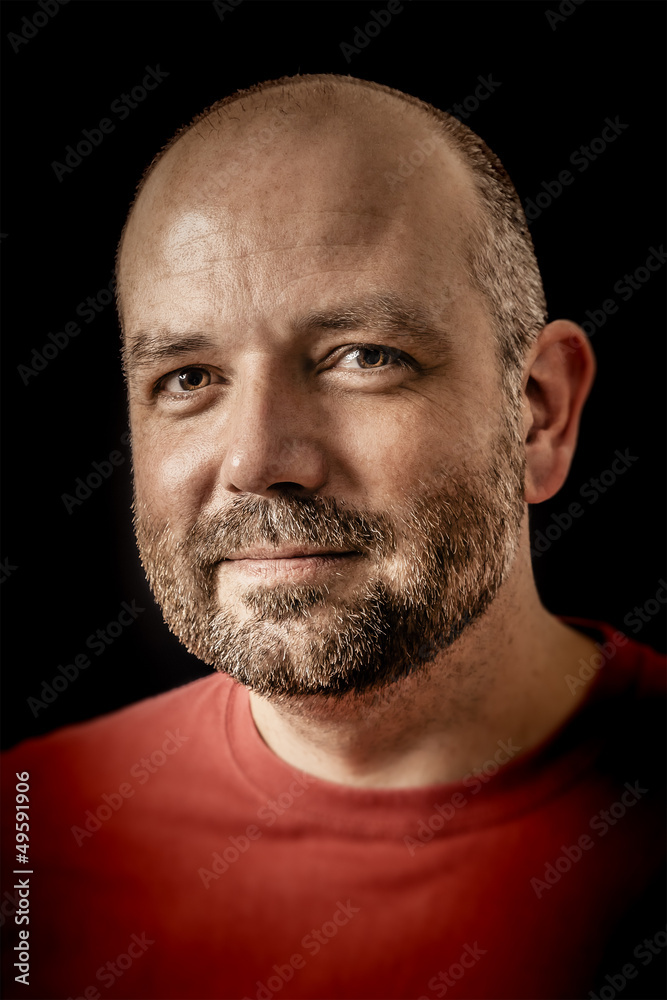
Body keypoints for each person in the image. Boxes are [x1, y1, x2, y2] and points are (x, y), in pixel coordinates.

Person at [2, 73, 664, 1000]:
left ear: (537, 414)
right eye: (189, 378)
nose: (259, 460)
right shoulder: (29, 832)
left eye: (362, 357)